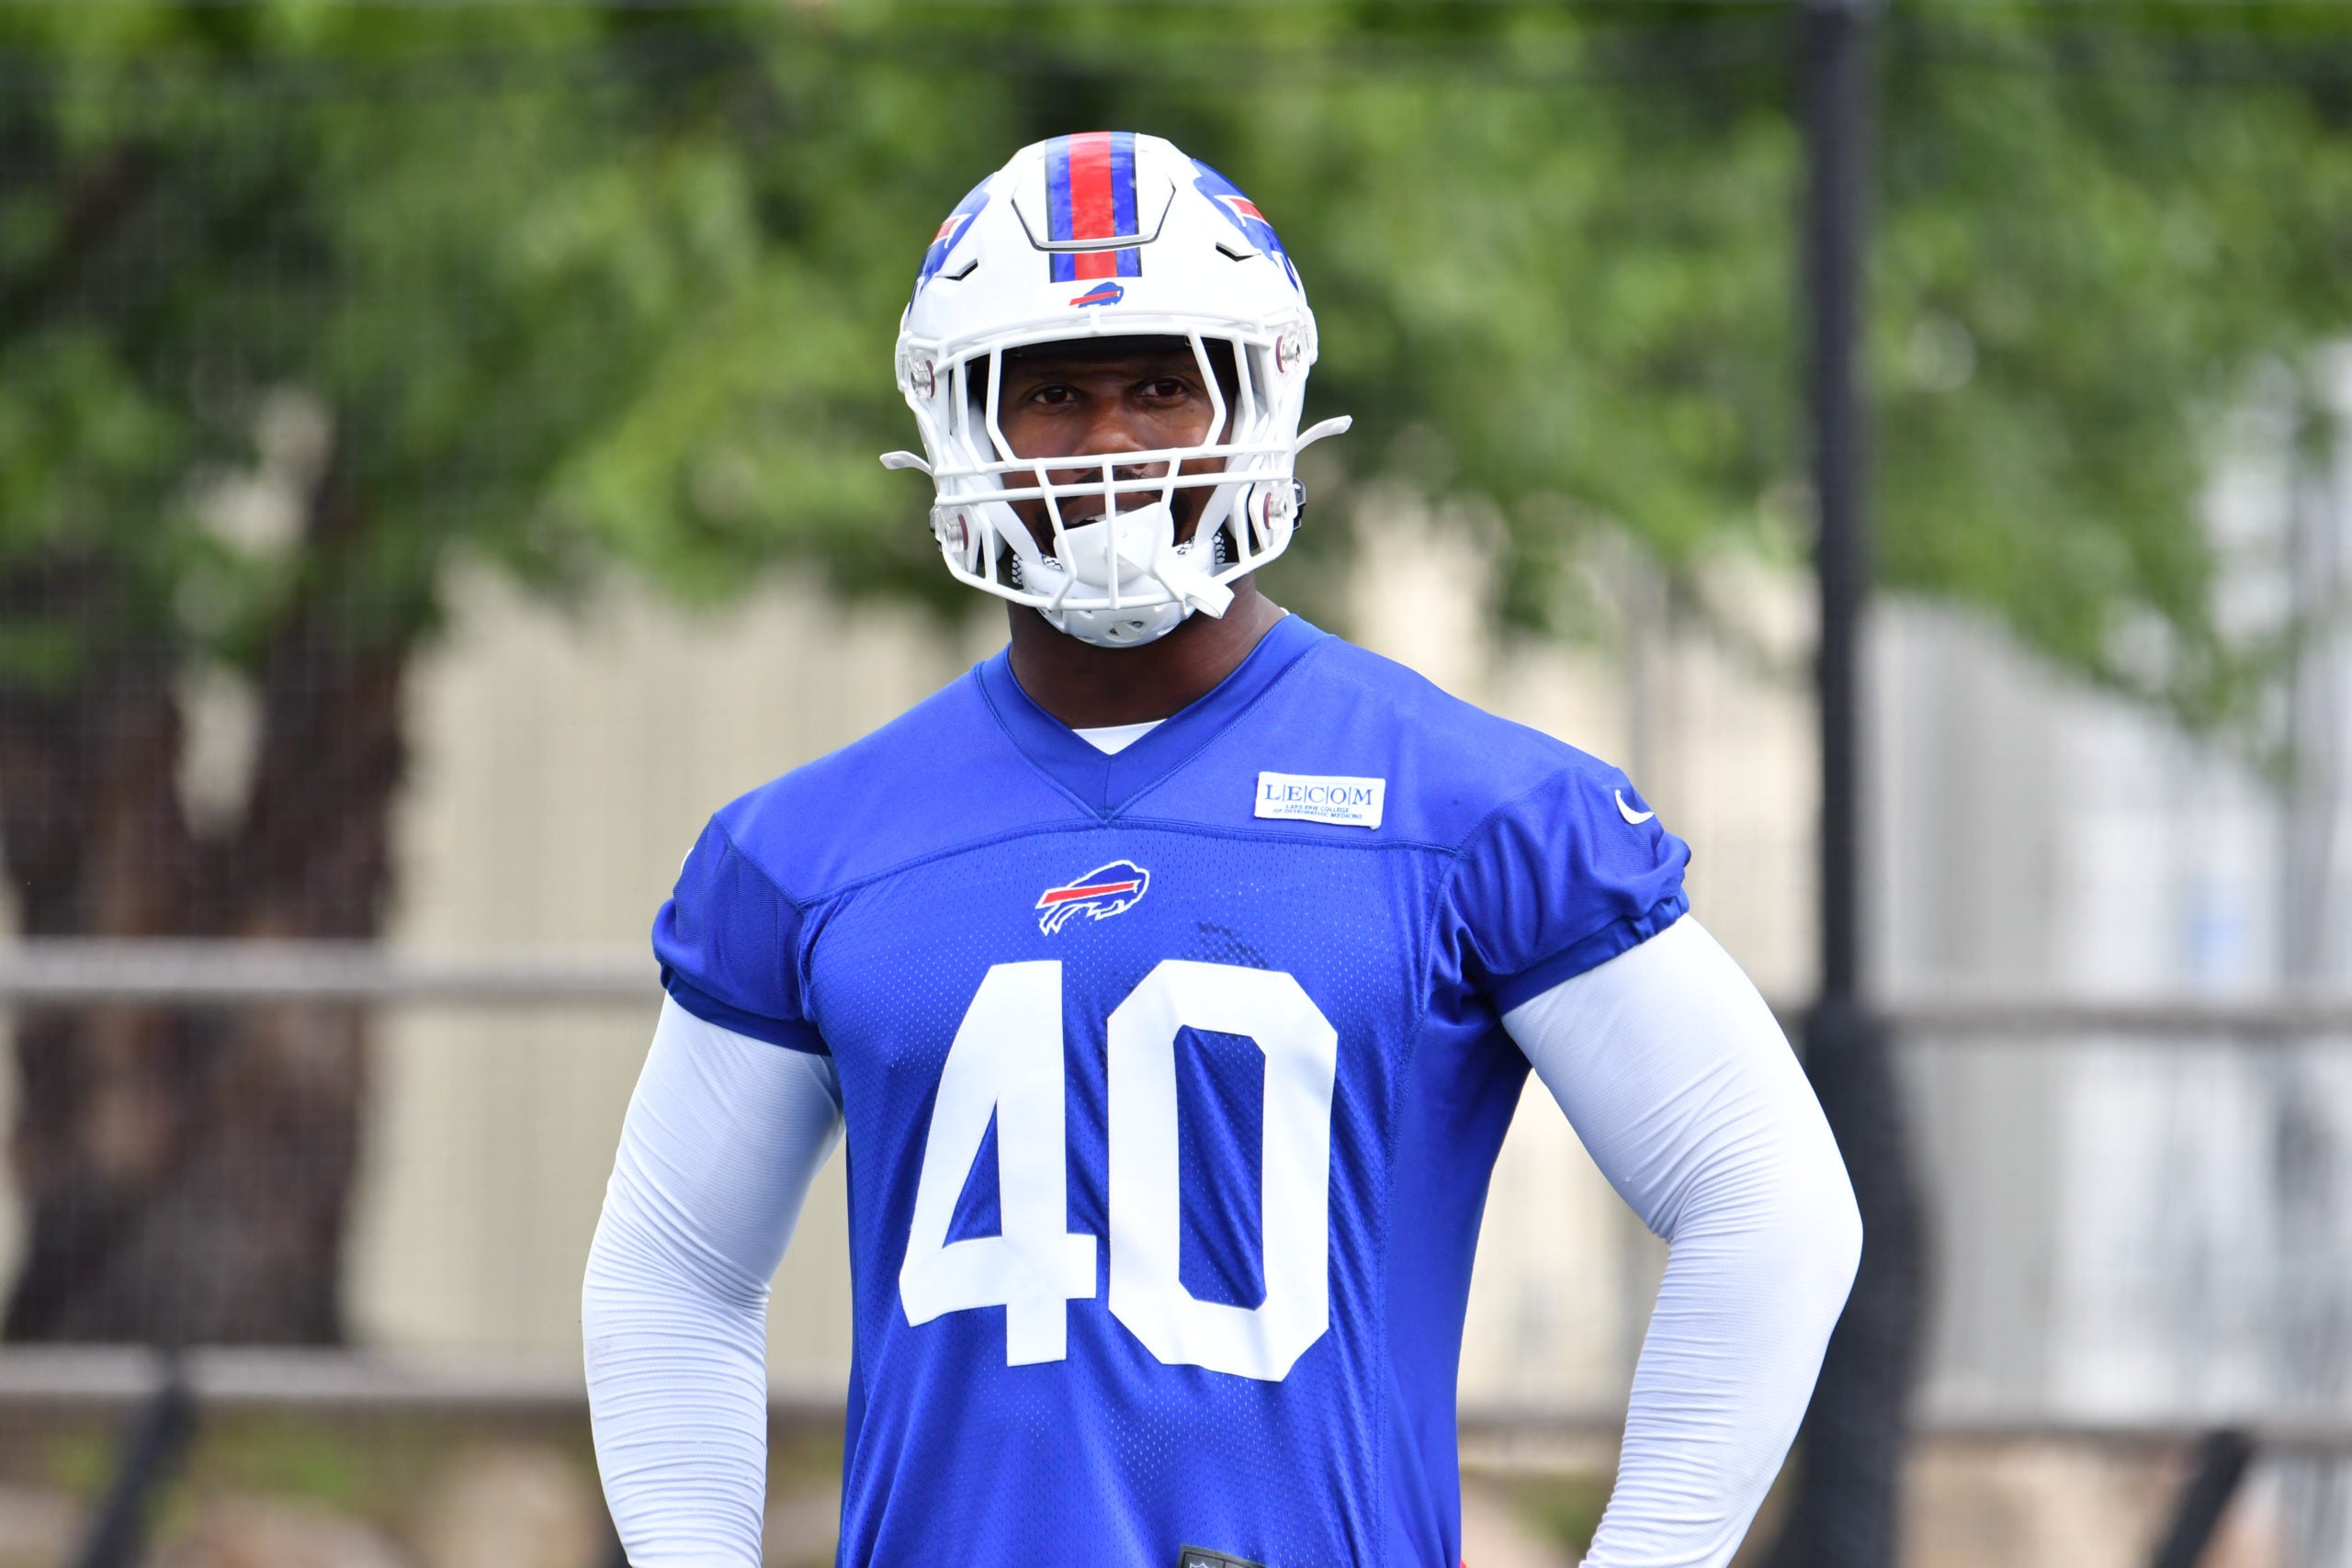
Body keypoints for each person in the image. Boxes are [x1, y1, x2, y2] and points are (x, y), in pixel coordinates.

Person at [583, 130, 1860, 1568]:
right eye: (1053, 391)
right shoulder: (806, 850)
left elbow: (1768, 1197)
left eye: (1161, 384)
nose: (1113, 440)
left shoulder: (1475, 810)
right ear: (963, 429)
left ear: (1257, 396)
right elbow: (673, 1269)